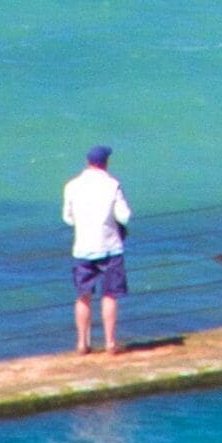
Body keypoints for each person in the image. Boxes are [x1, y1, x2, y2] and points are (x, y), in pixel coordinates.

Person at [63, 146, 130, 355]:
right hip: (109, 247)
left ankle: (82, 343)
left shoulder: (71, 186)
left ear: (88, 162)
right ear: (106, 162)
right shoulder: (112, 185)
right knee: (109, 295)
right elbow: (124, 215)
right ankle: (110, 343)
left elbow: (67, 217)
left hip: (82, 247)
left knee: (83, 296)